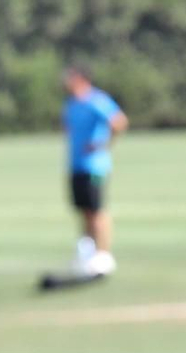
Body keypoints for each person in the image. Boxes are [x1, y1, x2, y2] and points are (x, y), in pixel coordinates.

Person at [62, 65, 127, 276]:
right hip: (76, 165)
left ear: (81, 79)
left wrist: (103, 145)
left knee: (97, 211)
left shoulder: (96, 100)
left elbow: (118, 122)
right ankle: (88, 254)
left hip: (94, 166)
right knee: (84, 211)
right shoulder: (71, 104)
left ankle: (104, 255)